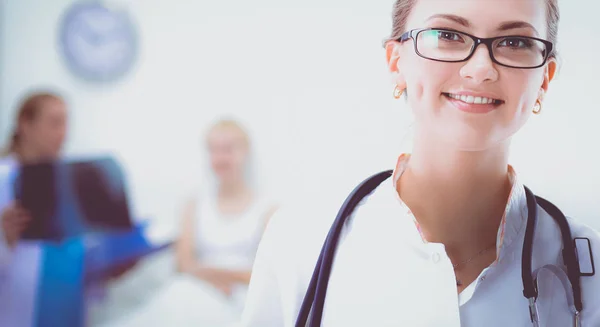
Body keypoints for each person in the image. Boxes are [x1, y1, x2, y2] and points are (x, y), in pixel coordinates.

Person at [239, 1, 600, 326]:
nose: (480, 69)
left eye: (515, 42)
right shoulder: (299, 240)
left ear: (545, 79)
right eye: (447, 35)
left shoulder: (589, 263)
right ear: (396, 63)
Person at [109, 118, 277, 327]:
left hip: (239, 299)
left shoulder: (268, 210)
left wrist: (214, 276)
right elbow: (182, 264)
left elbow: (264, 276)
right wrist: (216, 280)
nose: (220, 158)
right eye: (214, 150)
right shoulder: (193, 205)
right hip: (195, 290)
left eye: (228, 149)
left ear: (245, 153)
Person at [0, 91, 76, 327]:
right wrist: (4, 239)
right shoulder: (3, 179)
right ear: (25, 124)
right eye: (55, 123)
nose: (63, 133)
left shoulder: (67, 184)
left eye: (65, 124)